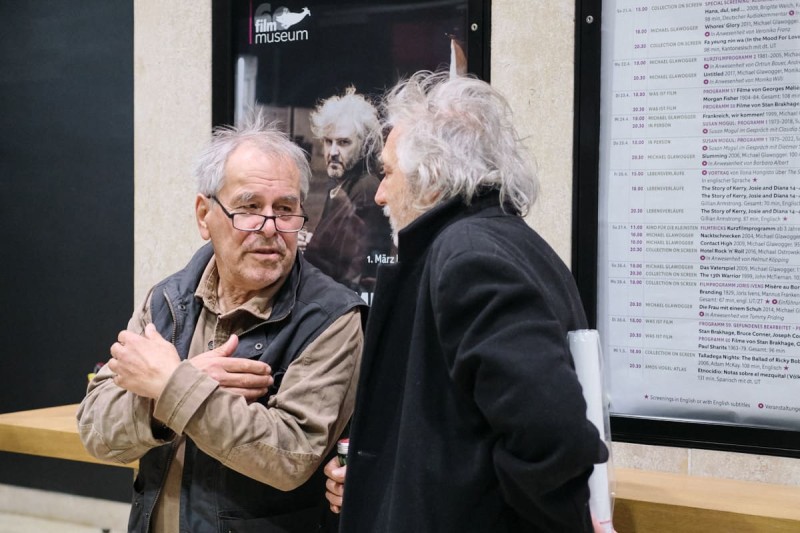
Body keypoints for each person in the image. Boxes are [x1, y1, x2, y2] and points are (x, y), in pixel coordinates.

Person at [322, 71, 610, 532]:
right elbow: (458, 433)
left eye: (389, 174)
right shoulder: (515, 246)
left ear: (431, 179)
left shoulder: (467, 257)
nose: (378, 193)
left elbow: (555, 435)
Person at [77, 110, 366, 533]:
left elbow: (291, 454)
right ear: (203, 215)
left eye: (285, 209)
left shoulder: (331, 318)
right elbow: (96, 429)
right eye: (249, 208)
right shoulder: (167, 301)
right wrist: (183, 386)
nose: (270, 227)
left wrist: (171, 384)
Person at [303, 87, 393, 293]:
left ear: (363, 145)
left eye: (343, 143)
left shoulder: (366, 188)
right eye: (328, 141)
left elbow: (353, 263)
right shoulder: (341, 185)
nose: (333, 152)